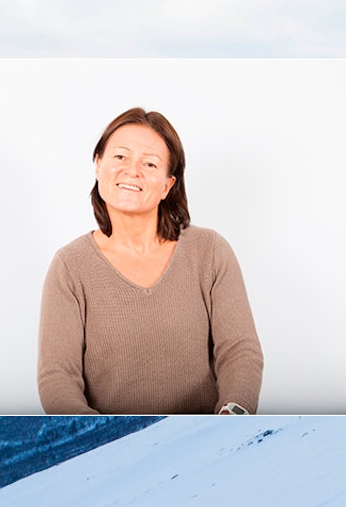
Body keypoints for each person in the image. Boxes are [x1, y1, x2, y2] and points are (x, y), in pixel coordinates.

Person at [38, 108, 263, 415]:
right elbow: (57, 378)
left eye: (150, 163)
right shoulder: (70, 267)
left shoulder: (209, 251)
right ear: (98, 165)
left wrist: (233, 415)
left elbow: (240, 352)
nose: (132, 171)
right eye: (120, 157)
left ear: (167, 185)